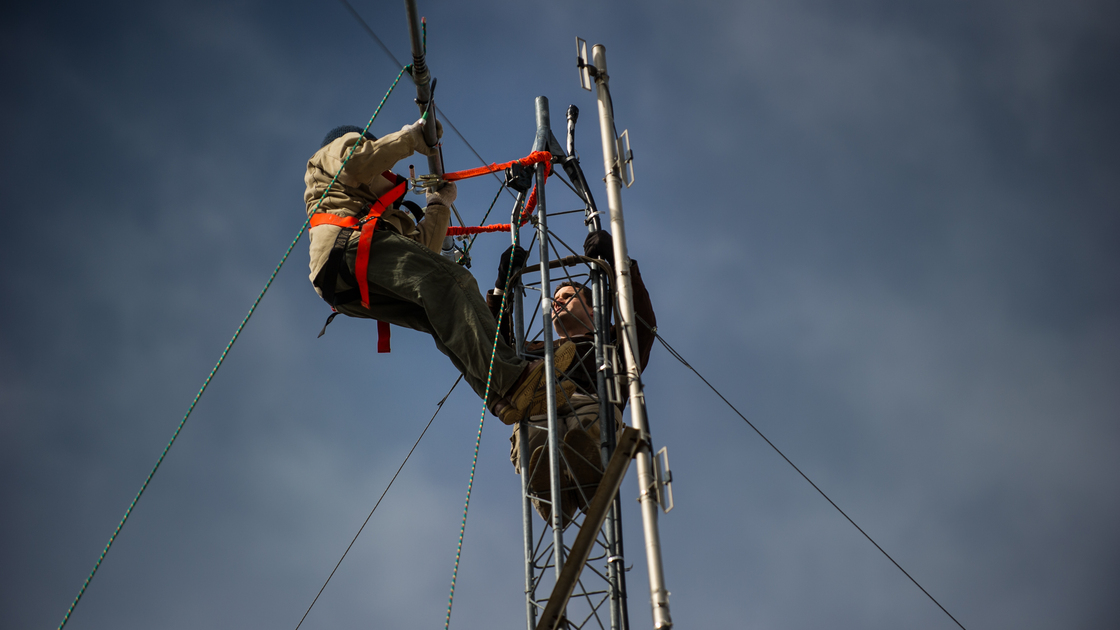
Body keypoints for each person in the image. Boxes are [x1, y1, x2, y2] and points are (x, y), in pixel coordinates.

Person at [304, 119, 576, 424]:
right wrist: (411, 137)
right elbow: (357, 162)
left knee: (438, 315)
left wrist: (438, 205)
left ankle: (501, 398)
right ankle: (513, 380)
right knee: (454, 281)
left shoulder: (373, 209)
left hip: (341, 281)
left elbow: (424, 253)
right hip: (348, 247)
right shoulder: (336, 150)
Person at [486, 230, 657, 526]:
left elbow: (641, 318)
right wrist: (503, 288)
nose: (557, 302)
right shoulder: (531, 351)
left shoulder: (613, 340)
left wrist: (619, 261)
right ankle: (553, 496)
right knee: (536, 434)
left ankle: (589, 476)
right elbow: (493, 344)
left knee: (587, 425)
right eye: (554, 299)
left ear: (592, 308)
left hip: (591, 404)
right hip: (538, 407)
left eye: (567, 296)